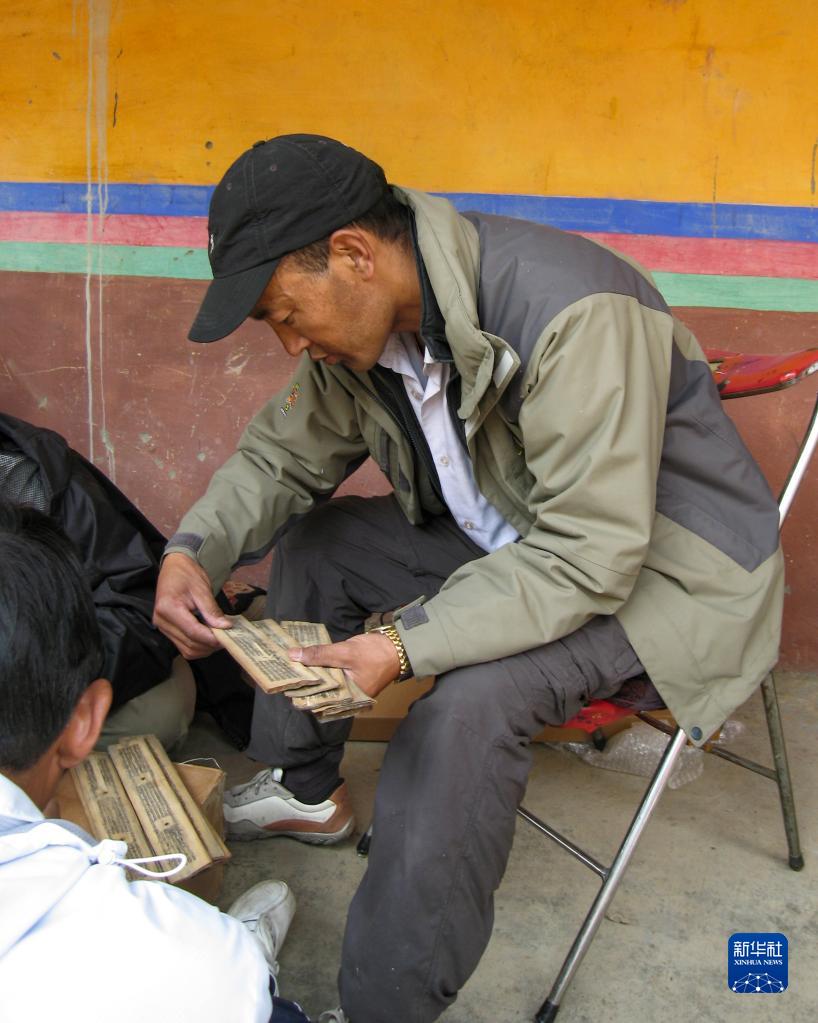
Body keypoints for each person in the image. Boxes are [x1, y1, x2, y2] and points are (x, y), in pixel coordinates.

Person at [153, 134, 783, 1022]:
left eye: (285, 314)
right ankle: (305, 789)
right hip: (516, 543)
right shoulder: (366, 334)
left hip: (659, 576)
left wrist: (402, 643)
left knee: (465, 708)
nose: (291, 342)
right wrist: (193, 550)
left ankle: (386, 1008)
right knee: (321, 543)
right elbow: (278, 458)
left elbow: (589, 554)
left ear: (354, 254)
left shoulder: (574, 312)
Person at [0, 500, 311, 1023]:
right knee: (264, 1003)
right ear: (85, 722)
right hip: (203, 980)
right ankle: (261, 966)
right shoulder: (194, 958)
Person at [0, 411, 256, 752]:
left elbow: (132, 604)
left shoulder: (30, 480)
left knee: (159, 714)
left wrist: (41, 679)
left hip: (55, 668)